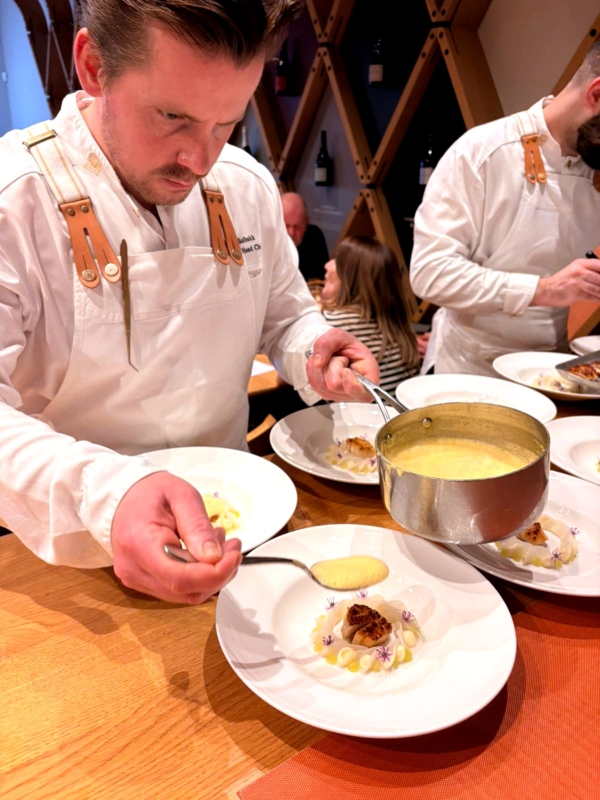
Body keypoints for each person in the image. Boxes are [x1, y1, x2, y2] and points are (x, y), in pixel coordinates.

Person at [0, 0, 379, 605]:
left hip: (240, 529)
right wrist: (107, 495)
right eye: (173, 116)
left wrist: (313, 347)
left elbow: (285, 313)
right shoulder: (14, 200)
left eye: (225, 122)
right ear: (94, 66)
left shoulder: (245, 185)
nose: (200, 162)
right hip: (69, 563)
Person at [410, 42, 600, 376]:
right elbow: (430, 273)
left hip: (552, 373)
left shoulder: (593, 167)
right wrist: (544, 290)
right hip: (469, 371)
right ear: (596, 95)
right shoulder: (481, 153)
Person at [321, 236, 420, 393]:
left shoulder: (331, 324)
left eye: (337, 260)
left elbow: (290, 375)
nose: (327, 265)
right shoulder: (399, 327)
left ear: (350, 277)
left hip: (358, 415)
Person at [281, 192, 329, 281]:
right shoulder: (265, 241)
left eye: (297, 227)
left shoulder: (314, 236)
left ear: (306, 222)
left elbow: (320, 281)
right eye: (286, 226)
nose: (291, 233)